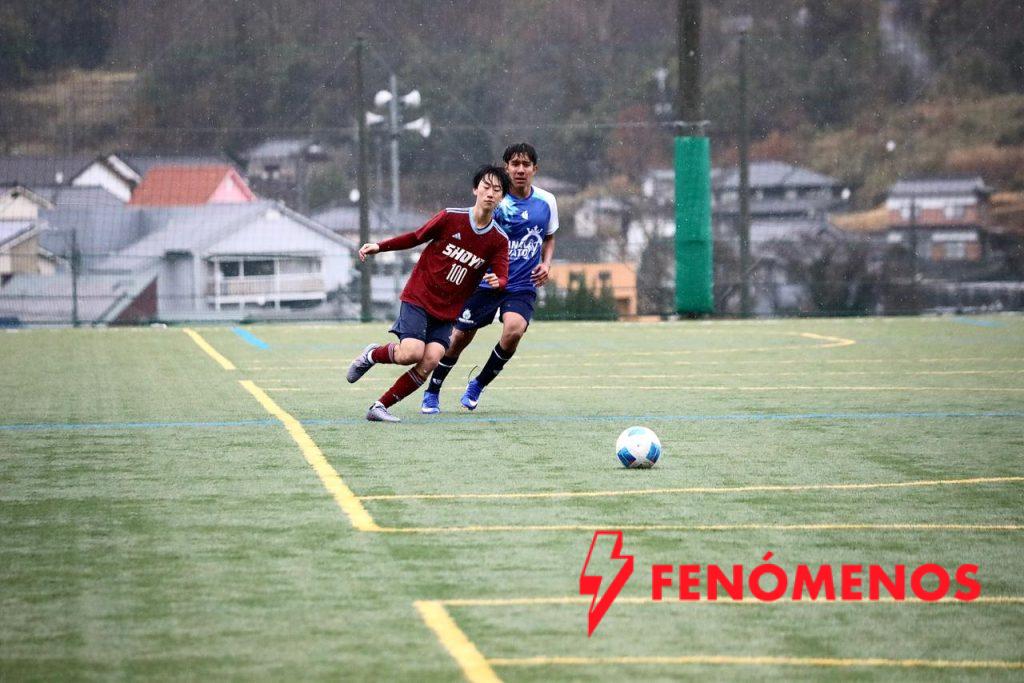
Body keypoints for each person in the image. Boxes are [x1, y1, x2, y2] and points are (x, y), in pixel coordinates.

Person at [345, 165, 511, 422]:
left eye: (497, 190)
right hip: (419, 297)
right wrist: (380, 246)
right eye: (486, 187)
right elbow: (416, 237)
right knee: (411, 352)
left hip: (448, 312)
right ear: (475, 189)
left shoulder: (498, 240)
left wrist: (497, 280)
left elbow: (502, 275)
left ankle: (379, 407)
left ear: (502, 198)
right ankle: (372, 354)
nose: (490, 193)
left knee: (432, 359)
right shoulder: (450, 217)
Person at [420, 142, 558, 414]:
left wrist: (547, 263)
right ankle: (433, 389)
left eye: (526, 165)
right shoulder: (496, 200)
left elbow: (549, 236)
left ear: (535, 169)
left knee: (514, 330)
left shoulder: (547, 201)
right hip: (485, 282)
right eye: (515, 164)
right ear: (505, 168)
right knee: (459, 338)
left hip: (521, 284)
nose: (520, 170)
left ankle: (478, 385)